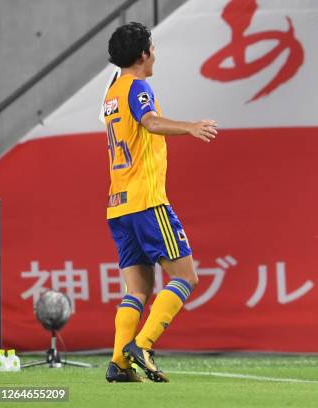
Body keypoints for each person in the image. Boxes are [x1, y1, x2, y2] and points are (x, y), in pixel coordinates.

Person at [103, 22, 217, 383]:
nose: (155, 53)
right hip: (147, 202)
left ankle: (119, 363)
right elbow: (149, 121)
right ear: (143, 54)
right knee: (186, 277)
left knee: (136, 289)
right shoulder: (138, 87)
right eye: (152, 46)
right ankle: (144, 345)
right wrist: (189, 126)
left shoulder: (111, 93)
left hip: (118, 205)